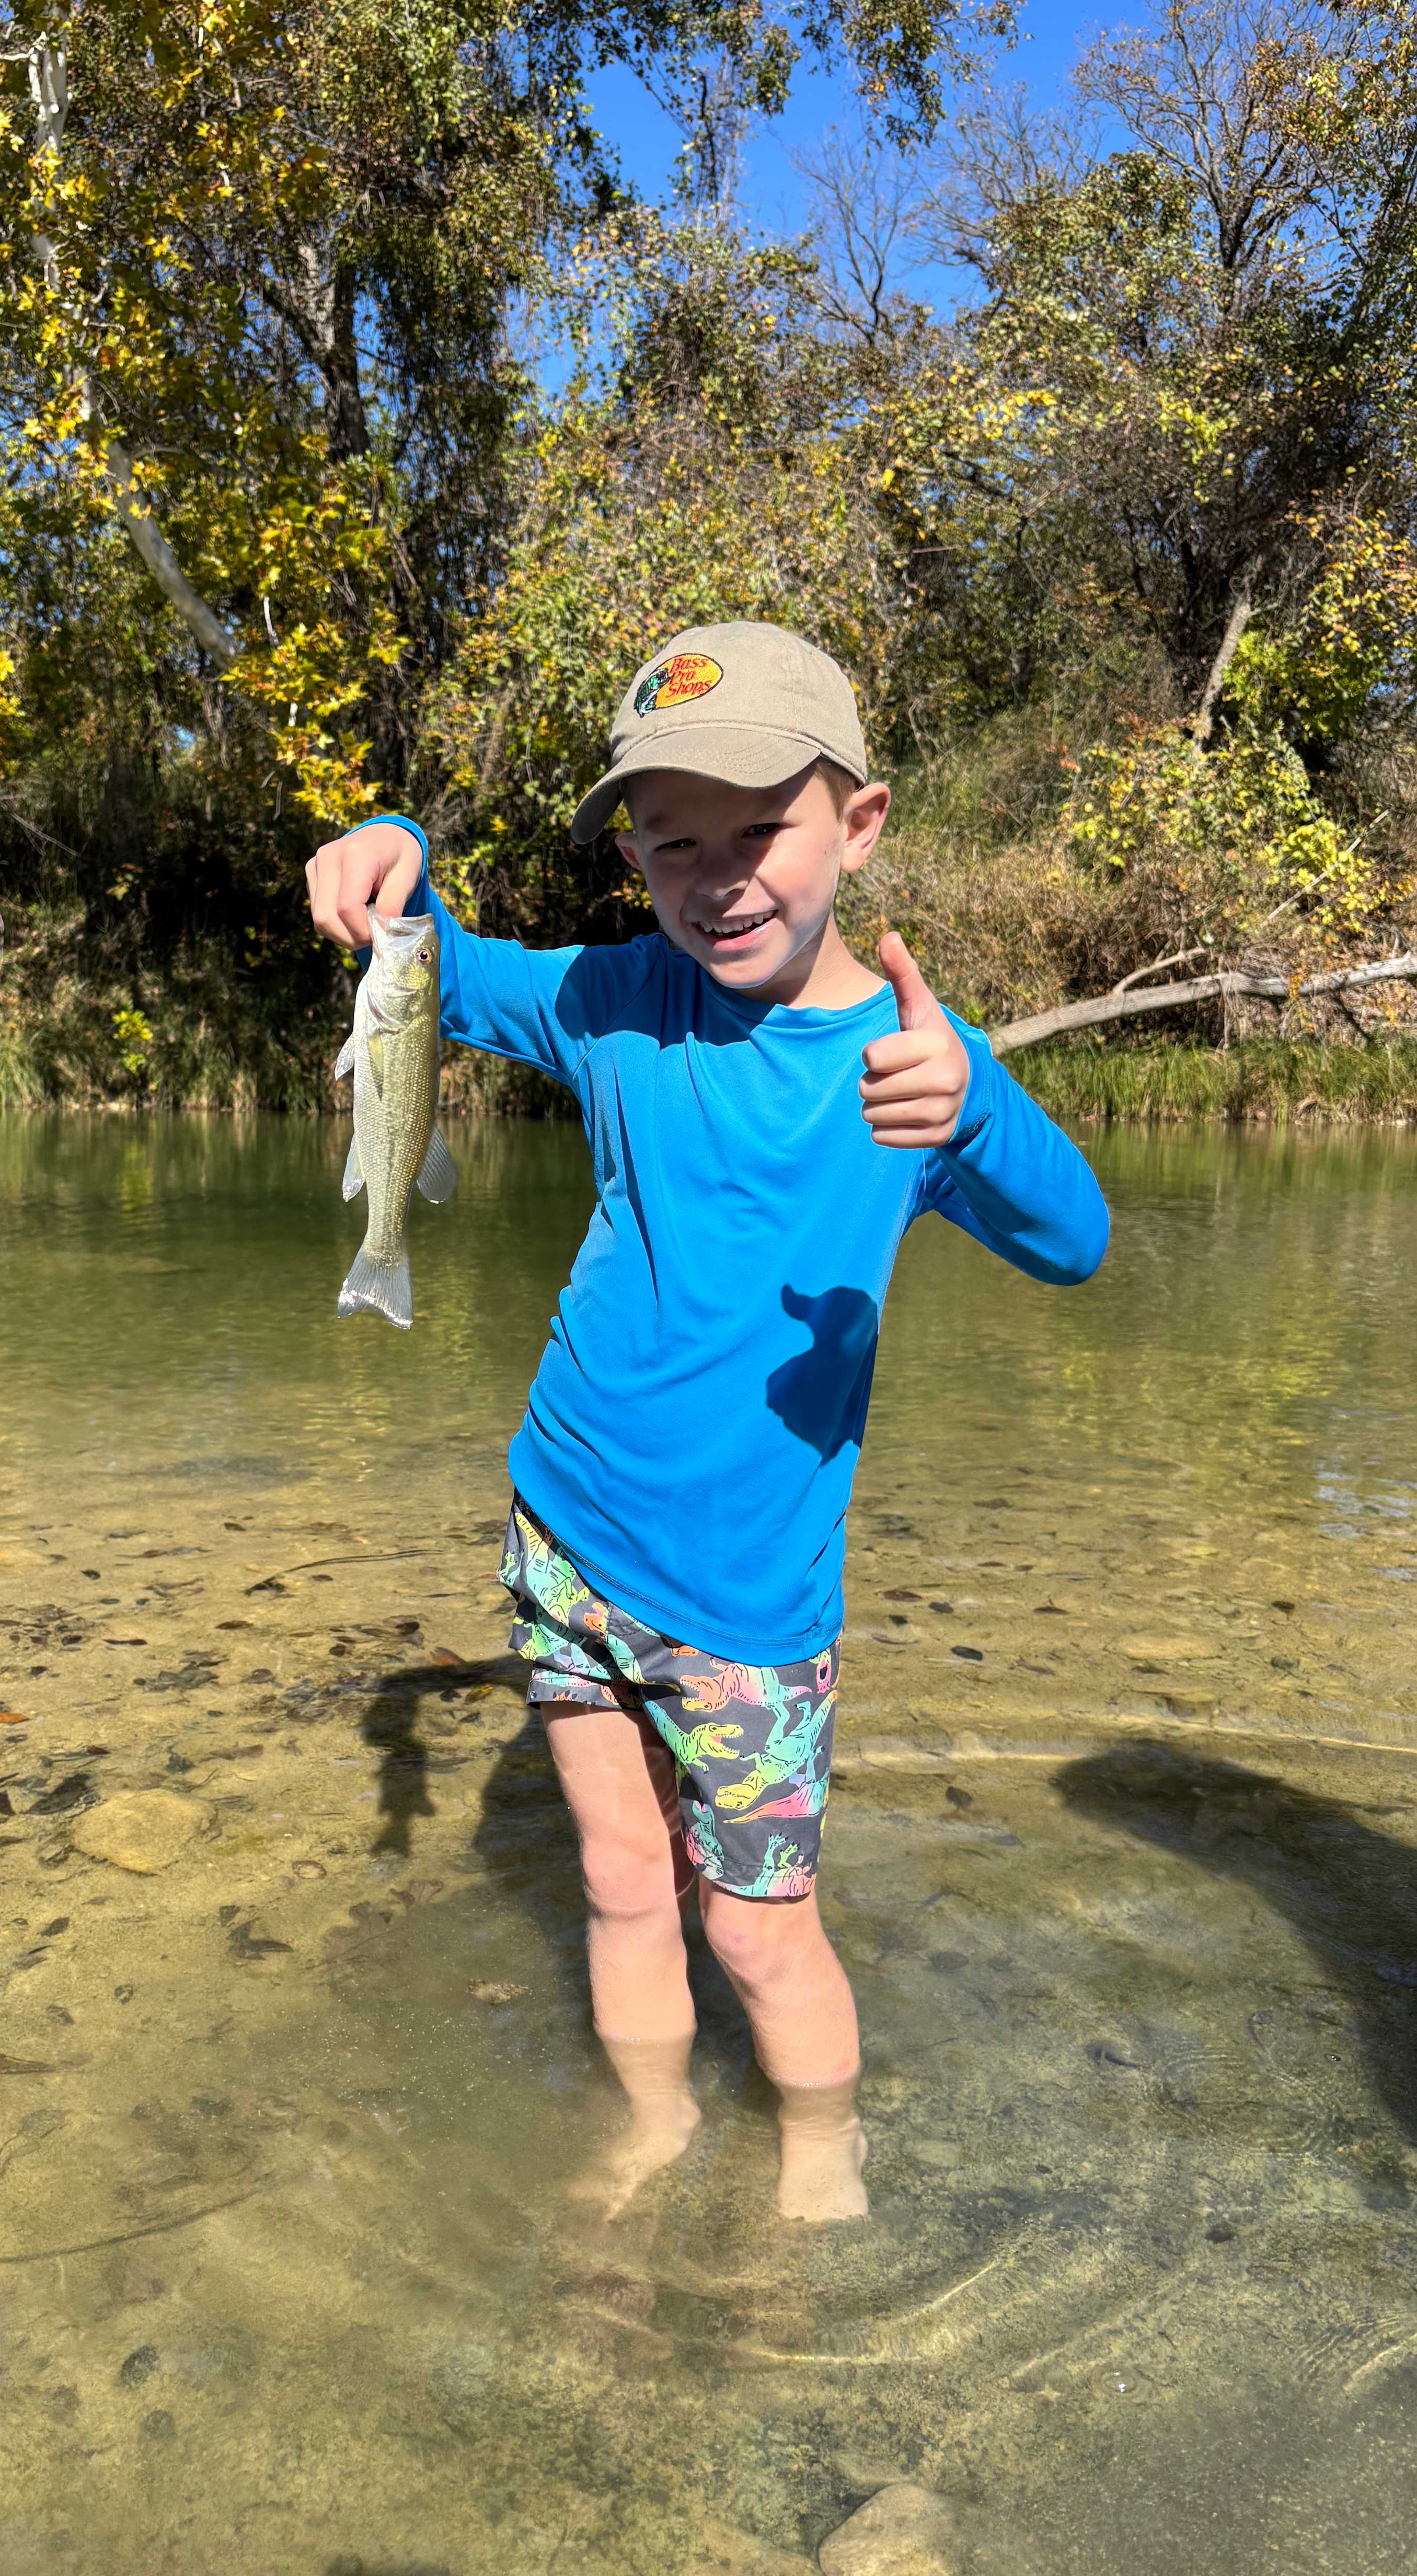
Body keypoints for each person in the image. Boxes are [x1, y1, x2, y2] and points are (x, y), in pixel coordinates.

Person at [305, 621, 1109, 2222]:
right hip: (563, 1532)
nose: (721, 877)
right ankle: (655, 2128)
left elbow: (1075, 1242)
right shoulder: (614, 1002)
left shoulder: (912, 1068)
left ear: (858, 829)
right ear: (634, 860)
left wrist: (984, 1115)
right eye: (677, 844)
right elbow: (433, 971)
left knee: (756, 1927)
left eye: (763, 833)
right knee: (618, 1881)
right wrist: (393, 850)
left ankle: (821, 2154)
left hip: (750, 1610)